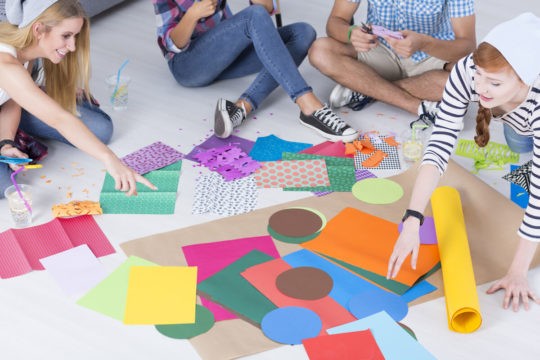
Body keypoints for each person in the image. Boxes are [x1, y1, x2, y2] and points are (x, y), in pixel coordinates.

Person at [387, 13, 540, 311]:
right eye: (479, 76)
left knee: (524, 142)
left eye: (493, 82)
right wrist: (412, 219)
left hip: (526, 113)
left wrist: (518, 271)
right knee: (518, 140)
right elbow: (439, 143)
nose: (480, 87)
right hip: (510, 113)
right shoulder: (469, 70)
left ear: (525, 81)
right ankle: (512, 118)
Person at [0, 0, 155, 197]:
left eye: (75, 36)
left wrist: (5, 142)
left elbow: (13, 101)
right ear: (38, 29)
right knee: (3, 184)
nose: (72, 46)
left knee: (100, 129)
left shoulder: (25, 55)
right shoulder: (5, 64)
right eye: (66, 36)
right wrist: (110, 160)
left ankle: (38, 97)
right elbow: (59, 119)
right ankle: (39, 98)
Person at [151, 0, 358, 142]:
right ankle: (310, 107)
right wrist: (193, 14)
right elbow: (172, 44)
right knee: (253, 16)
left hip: (227, 55)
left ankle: (241, 108)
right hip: (188, 65)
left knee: (303, 32)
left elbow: (265, 9)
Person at [308, 0, 476, 127]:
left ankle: (365, 89)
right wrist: (350, 33)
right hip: (380, 51)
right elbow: (335, 21)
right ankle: (417, 107)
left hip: (431, 55)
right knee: (320, 51)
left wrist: (424, 44)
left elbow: (468, 45)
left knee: (470, 78)